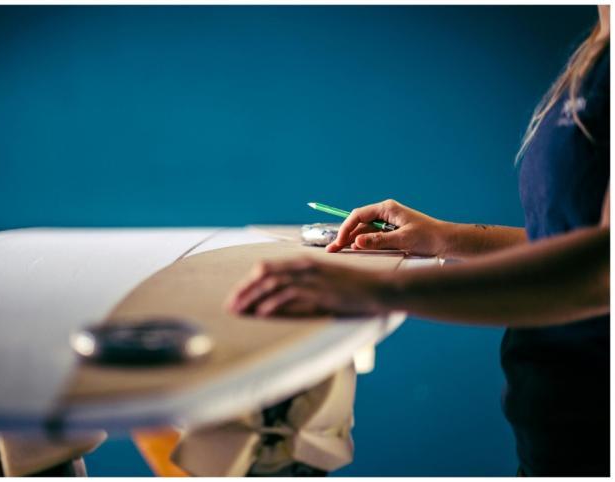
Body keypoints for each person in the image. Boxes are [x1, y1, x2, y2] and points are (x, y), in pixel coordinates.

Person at [227, 6, 610, 477]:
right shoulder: (597, 51)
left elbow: (603, 269)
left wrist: (373, 291)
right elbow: (571, 237)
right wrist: (443, 238)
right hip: (557, 412)